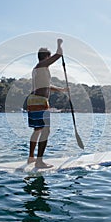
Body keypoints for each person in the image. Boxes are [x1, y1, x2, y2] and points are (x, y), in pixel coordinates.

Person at [27, 38, 66, 169]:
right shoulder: (42, 65)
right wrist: (59, 44)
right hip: (39, 101)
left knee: (37, 130)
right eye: (49, 57)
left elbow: (46, 85)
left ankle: (31, 158)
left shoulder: (38, 69)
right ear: (46, 57)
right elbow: (59, 55)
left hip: (33, 99)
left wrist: (61, 89)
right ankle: (39, 161)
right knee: (46, 130)